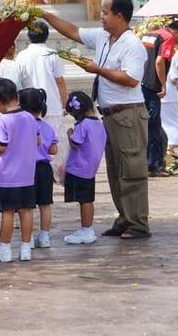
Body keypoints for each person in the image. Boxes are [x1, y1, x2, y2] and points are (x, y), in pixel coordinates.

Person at [43, 0, 151, 240]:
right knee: (114, 170)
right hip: (110, 114)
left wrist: (97, 69)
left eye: (105, 12)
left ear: (120, 16)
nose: (101, 17)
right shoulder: (104, 37)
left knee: (131, 170)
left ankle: (138, 224)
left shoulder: (132, 44)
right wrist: (46, 15)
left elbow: (131, 79)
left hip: (129, 113)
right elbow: (74, 32)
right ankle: (124, 218)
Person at [0, 78, 38, 263]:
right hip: (27, 174)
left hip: (7, 176)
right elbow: (38, 141)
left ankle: (4, 249)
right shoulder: (30, 117)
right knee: (26, 210)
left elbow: (0, 147)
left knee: (8, 212)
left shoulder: (2, 121)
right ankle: (26, 248)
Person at [15, 21, 69, 175]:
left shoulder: (21, 56)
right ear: (46, 35)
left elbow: (18, 82)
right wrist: (64, 104)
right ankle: (52, 176)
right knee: (53, 144)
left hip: (28, 107)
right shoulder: (52, 55)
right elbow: (60, 81)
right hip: (51, 105)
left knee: (31, 142)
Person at [140, 20, 178, 176]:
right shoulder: (168, 37)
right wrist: (162, 85)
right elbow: (159, 61)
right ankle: (153, 166)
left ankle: (153, 162)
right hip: (152, 87)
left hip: (141, 84)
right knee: (154, 126)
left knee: (151, 127)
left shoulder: (149, 34)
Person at [62, 92, 107, 245]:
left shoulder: (82, 125)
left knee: (84, 201)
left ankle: (86, 230)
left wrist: (69, 133)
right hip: (91, 169)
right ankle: (87, 228)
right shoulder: (98, 124)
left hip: (78, 169)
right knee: (88, 199)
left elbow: (76, 143)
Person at [19, 88, 57, 249]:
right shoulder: (47, 127)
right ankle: (45, 236)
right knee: (45, 204)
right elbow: (53, 150)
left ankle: (29, 238)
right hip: (44, 168)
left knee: (27, 206)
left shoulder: (22, 126)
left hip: (27, 168)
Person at [162, 42, 178, 159]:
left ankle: (175, 147)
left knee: (172, 122)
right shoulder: (175, 54)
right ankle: (172, 147)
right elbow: (173, 78)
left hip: (166, 93)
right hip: (173, 93)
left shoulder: (175, 53)